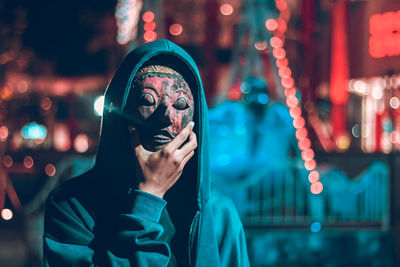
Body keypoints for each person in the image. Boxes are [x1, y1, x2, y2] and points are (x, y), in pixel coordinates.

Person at [43, 39, 250, 266]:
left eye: (180, 104)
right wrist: (148, 197)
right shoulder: (73, 205)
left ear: (196, 121)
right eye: (147, 100)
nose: (165, 117)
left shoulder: (218, 211)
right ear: (121, 112)